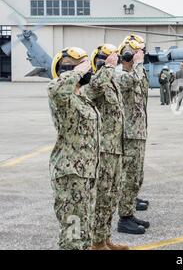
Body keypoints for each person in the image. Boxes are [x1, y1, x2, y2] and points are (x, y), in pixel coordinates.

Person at [48, 47, 99, 250]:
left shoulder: (81, 97)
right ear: (68, 70)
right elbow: (55, 87)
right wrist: (77, 71)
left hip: (85, 173)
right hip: (70, 174)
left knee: (84, 227)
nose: (89, 70)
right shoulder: (63, 97)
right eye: (84, 66)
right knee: (73, 233)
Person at [82, 44, 128, 250]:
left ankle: (105, 238)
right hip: (104, 149)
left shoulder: (111, 82)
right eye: (112, 58)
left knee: (113, 194)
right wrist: (107, 67)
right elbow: (90, 90)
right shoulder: (96, 80)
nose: (116, 60)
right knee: (102, 195)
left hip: (116, 147)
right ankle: (96, 242)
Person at [116, 34, 150, 235]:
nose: (142, 56)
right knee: (129, 176)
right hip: (128, 134)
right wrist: (136, 63)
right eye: (137, 53)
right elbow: (130, 81)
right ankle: (124, 218)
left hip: (138, 132)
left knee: (137, 175)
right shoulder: (120, 74)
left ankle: (129, 209)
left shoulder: (138, 72)